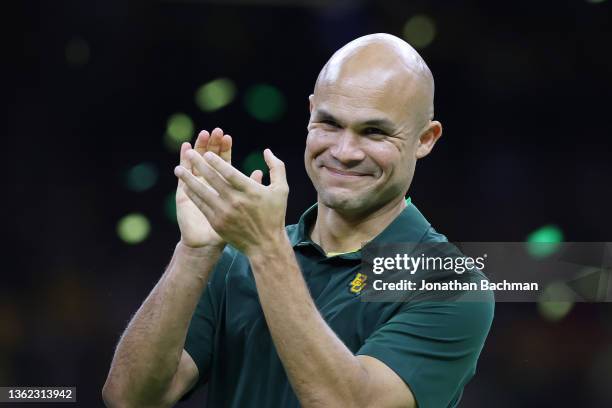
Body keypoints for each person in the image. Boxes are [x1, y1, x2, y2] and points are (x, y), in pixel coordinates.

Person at [103, 33, 494, 408]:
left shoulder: (450, 285)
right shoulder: (236, 259)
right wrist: (195, 252)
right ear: (310, 114)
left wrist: (267, 249)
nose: (344, 151)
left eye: (374, 132)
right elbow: (129, 398)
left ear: (425, 139)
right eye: (330, 124)